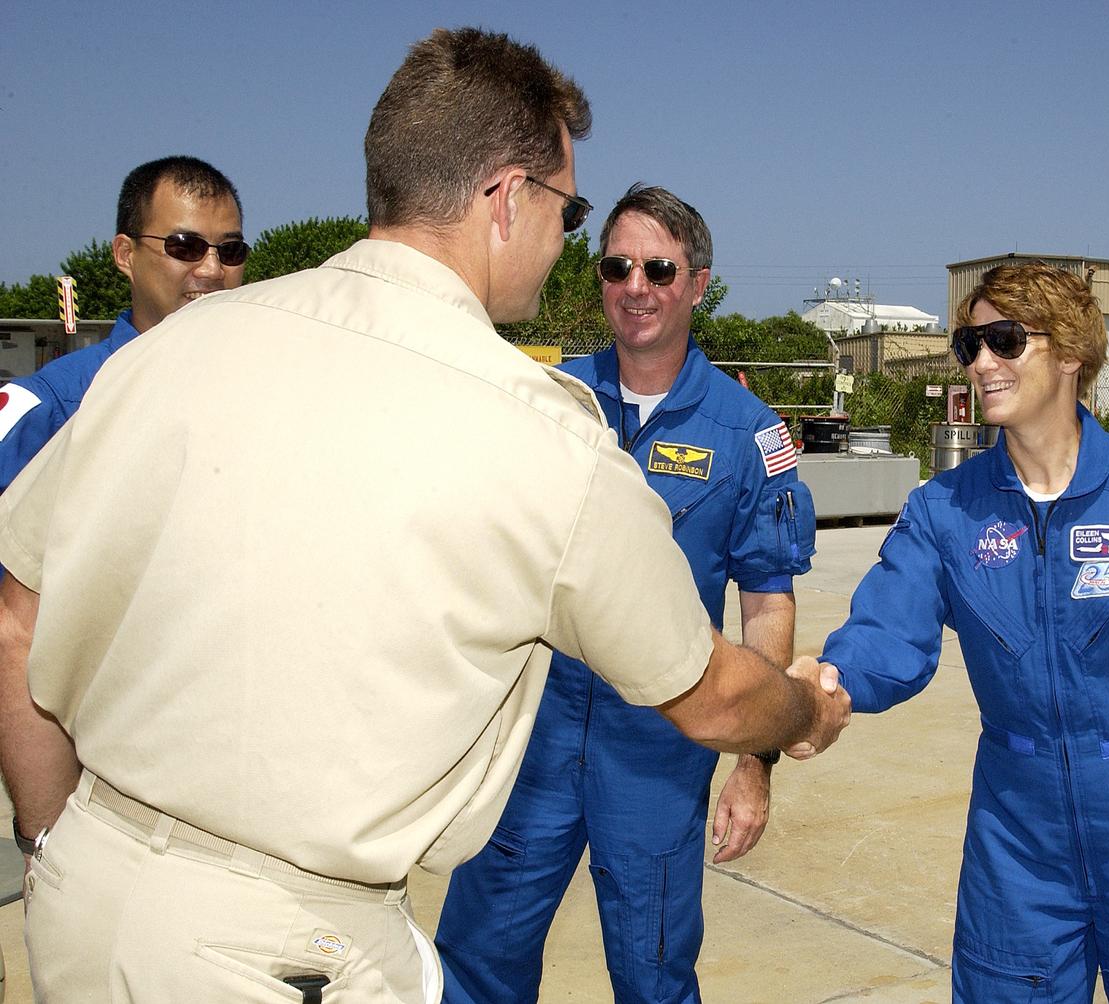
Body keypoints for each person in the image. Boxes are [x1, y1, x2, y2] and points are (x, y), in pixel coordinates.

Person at [0, 28, 849, 1004]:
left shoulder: (165, 355)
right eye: (570, 217)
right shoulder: (542, 433)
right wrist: (805, 709)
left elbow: (19, 614)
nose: (579, 257)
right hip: (283, 945)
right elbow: (715, 696)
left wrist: (49, 834)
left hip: (78, 900)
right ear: (507, 198)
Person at [820, 261, 1109, 1001]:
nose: (982, 363)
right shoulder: (945, 510)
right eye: (970, 345)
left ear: (1069, 354)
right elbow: (884, 630)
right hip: (1017, 827)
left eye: (1003, 340)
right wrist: (826, 684)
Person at [436, 184, 818, 1004]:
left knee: (653, 977)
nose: (635, 286)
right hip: (528, 746)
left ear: (697, 283)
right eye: (616, 266)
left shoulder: (750, 436)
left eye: (658, 268)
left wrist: (754, 766)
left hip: (657, 752)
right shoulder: (545, 402)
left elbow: (767, 606)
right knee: (474, 962)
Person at [0, 156, 246, 493]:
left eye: (231, 250)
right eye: (186, 247)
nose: (213, 270)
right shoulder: (58, 404)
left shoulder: (266, 385)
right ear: (125, 254)